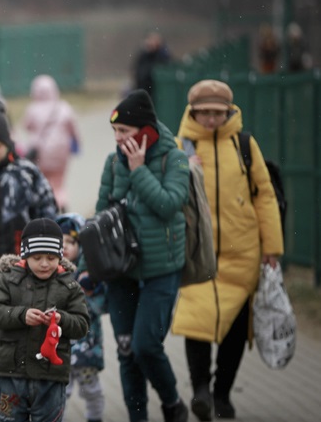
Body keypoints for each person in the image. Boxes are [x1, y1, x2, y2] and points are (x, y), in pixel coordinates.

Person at [171, 79, 284, 421]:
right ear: (193, 112)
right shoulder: (180, 147)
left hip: (242, 251)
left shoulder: (245, 145)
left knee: (235, 329)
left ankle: (222, 394)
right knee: (196, 324)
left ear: (228, 112)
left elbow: (264, 195)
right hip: (197, 254)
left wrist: (272, 247)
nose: (210, 120)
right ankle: (201, 389)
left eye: (217, 113)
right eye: (203, 113)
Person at [83, 89, 190, 422]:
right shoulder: (113, 162)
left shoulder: (173, 158)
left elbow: (169, 204)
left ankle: (172, 402)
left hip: (162, 269)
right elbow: (100, 218)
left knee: (146, 345)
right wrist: (87, 268)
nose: (117, 139)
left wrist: (139, 169)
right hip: (121, 270)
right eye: (115, 132)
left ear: (146, 131)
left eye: (124, 132)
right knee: (128, 351)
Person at [0, 99, 57, 394]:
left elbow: (48, 213)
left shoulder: (26, 173)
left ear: (8, 143)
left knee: (14, 326)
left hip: (18, 265)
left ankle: (15, 382)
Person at [0, 217, 90, 422]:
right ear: (25, 255)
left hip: (51, 378)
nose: (44, 264)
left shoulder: (69, 286)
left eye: (51, 258)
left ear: (60, 256)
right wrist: (21, 315)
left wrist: (62, 319)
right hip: (11, 375)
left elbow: (82, 325)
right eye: (37, 257)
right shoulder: (8, 279)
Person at [56, 213, 106, 422]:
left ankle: (95, 417)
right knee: (60, 392)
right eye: (61, 242)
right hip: (59, 348)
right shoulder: (50, 274)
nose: (65, 247)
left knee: (90, 389)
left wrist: (86, 292)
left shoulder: (89, 278)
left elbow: (99, 306)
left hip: (86, 346)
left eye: (72, 241)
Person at [20, 74, 81, 211]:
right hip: (61, 152)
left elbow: (26, 126)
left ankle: (47, 205)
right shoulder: (64, 107)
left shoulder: (33, 109)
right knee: (59, 181)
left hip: (40, 153)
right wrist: (77, 144)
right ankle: (61, 201)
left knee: (43, 180)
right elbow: (73, 129)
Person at [133, 31, 171, 97]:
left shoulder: (162, 54)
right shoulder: (143, 54)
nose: (151, 43)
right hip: (143, 88)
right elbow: (137, 69)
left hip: (155, 91)